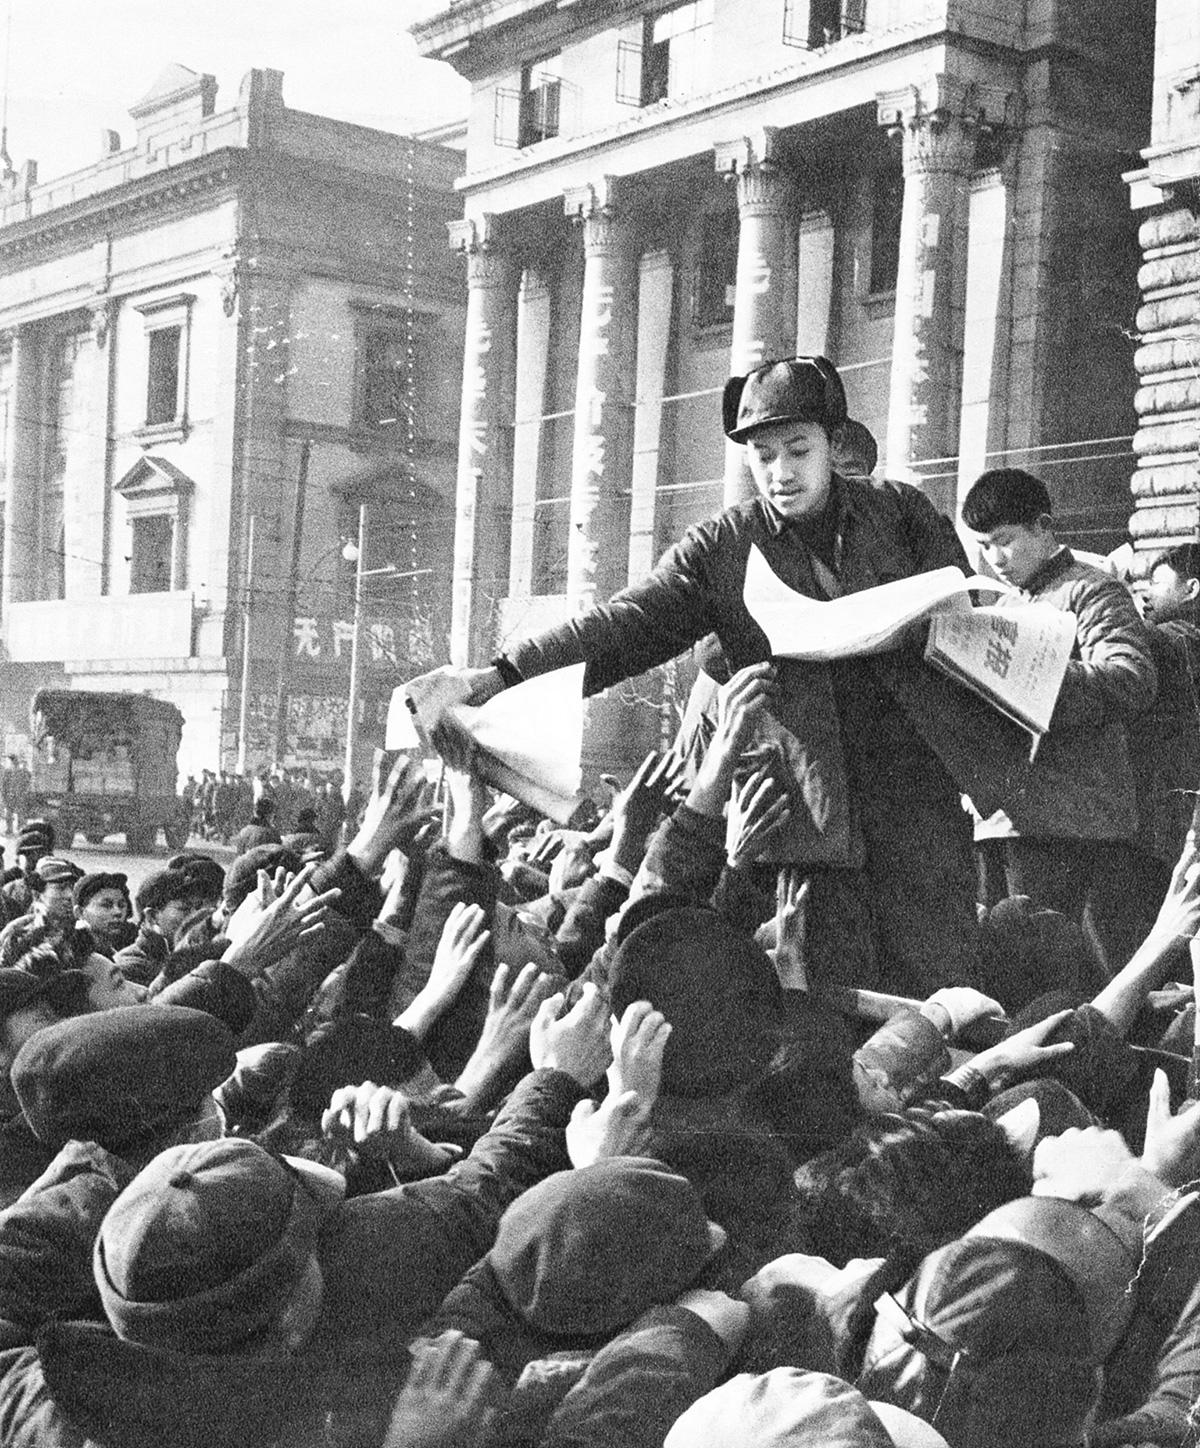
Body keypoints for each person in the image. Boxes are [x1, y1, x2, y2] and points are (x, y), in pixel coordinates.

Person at [440, 356, 985, 997]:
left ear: (833, 443)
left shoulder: (901, 515)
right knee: (821, 1008)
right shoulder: (725, 547)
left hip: (916, 817)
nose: (780, 473)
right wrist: (501, 675)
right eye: (762, 456)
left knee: (944, 1001)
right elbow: (626, 625)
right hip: (800, 830)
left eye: (798, 451)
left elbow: (967, 620)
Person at [961, 468, 1158, 980]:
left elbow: (1131, 679)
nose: (995, 559)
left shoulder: (1091, 591)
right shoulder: (1006, 605)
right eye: (984, 546)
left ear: (1044, 527)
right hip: (1006, 817)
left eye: (1004, 540)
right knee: (1010, 969)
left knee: (1067, 971)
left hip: (1072, 820)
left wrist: (1033, 672)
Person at [1, 755, 30, 835]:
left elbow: (4, 784)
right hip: (18, 795)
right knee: (18, 812)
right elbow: (27, 782)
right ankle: (19, 829)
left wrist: (4, 794)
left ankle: (10, 830)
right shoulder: (22, 771)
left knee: (11, 812)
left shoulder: (8, 771)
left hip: (11, 795)